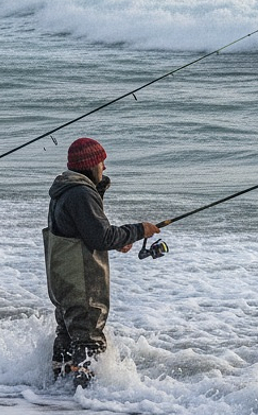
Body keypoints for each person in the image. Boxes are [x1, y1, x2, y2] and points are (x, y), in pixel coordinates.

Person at [43, 137, 161, 388]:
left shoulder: (64, 190)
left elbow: (85, 233)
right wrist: (140, 230)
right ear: (89, 165)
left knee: (66, 338)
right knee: (88, 342)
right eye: (101, 162)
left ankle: (53, 395)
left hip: (62, 282)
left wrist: (117, 241)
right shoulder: (81, 193)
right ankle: (86, 399)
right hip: (81, 283)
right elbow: (102, 236)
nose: (104, 168)